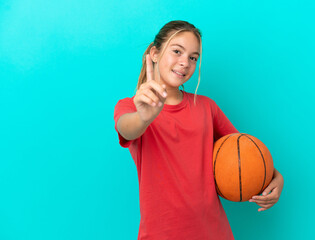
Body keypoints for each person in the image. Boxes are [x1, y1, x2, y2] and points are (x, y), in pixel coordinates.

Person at [114, 20, 284, 240]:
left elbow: (244, 153)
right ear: (154, 53)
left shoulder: (206, 107)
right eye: (177, 51)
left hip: (214, 232)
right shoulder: (131, 107)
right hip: (160, 234)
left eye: (193, 58)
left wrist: (276, 177)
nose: (185, 62)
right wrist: (144, 117)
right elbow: (127, 129)